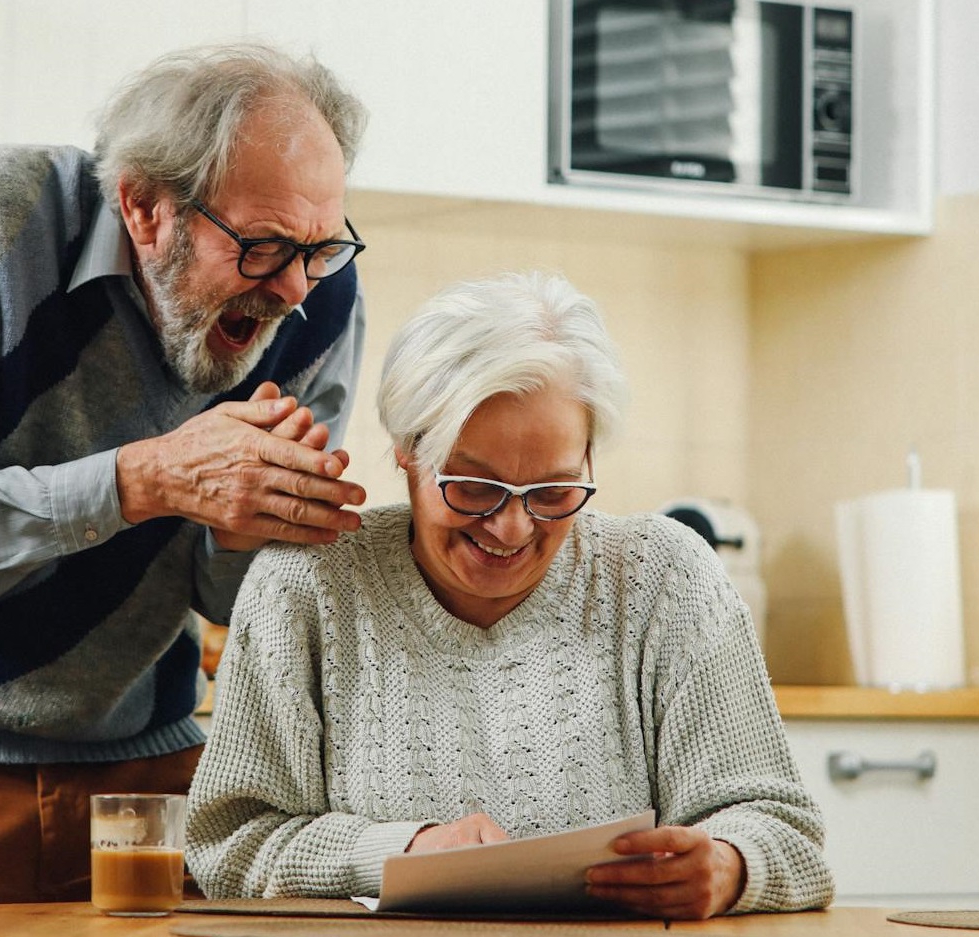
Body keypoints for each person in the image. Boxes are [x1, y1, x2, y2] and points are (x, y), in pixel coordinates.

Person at [0, 43, 370, 909]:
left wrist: (246, 533)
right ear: (144, 207)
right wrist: (144, 479)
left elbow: (236, 598)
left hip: (149, 782)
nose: (295, 290)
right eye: (265, 245)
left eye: (319, 247)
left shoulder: (319, 303)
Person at [185, 271, 835, 920]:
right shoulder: (304, 587)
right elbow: (228, 845)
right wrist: (405, 849)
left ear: (588, 462)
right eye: (473, 486)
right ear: (408, 452)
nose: (511, 527)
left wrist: (729, 865)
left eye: (553, 492)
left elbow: (788, 833)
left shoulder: (665, 578)